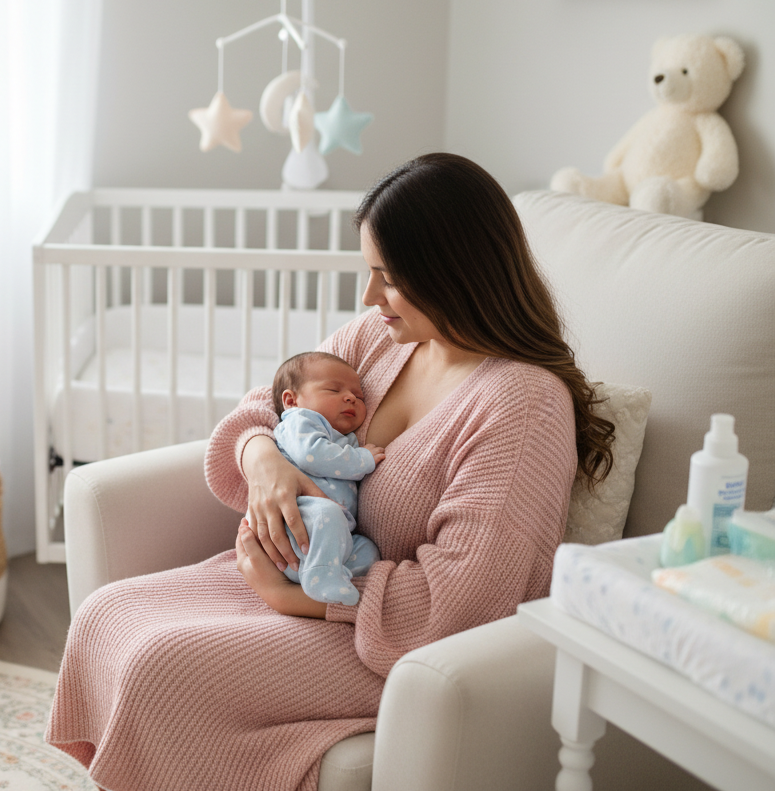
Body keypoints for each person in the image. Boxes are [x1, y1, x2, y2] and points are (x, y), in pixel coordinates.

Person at [46, 153, 615, 791]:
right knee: (106, 611)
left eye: (388, 278)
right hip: (310, 576)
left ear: (454, 276)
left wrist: (292, 598)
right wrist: (263, 461)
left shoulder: (522, 405)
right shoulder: (382, 337)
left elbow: (462, 602)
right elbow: (265, 404)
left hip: (379, 635)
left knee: (162, 665)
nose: (370, 297)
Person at [264, 351, 384, 605]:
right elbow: (312, 456)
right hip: (298, 522)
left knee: (367, 550)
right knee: (326, 513)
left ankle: (328, 576)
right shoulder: (300, 420)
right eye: (333, 390)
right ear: (291, 400)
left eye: (359, 397)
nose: (351, 397)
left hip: (324, 543)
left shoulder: (342, 438)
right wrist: (362, 459)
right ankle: (323, 577)